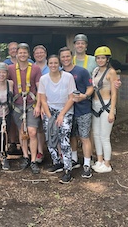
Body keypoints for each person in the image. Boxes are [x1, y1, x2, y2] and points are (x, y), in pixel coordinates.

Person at [38, 54, 76, 184]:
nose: (53, 65)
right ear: (47, 65)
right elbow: (43, 99)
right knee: (50, 138)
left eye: (56, 63)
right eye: (51, 63)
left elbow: (72, 98)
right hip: (50, 111)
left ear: (59, 64)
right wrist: (49, 117)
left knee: (64, 140)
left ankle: (68, 169)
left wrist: (61, 115)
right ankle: (56, 162)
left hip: (65, 110)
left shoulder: (68, 77)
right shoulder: (44, 79)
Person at [59, 47, 95, 179]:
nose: (65, 59)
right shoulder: (59, 73)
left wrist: (84, 96)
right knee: (72, 136)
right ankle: (74, 159)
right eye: (62, 57)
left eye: (67, 56)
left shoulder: (82, 71)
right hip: (68, 110)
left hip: (83, 108)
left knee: (84, 137)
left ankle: (86, 164)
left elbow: (90, 87)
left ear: (71, 56)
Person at [8, 43, 42, 174]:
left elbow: (40, 88)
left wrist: (38, 105)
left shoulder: (35, 69)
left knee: (32, 132)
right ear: (16, 54)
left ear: (28, 54)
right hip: (17, 105)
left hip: (31, 104)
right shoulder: (11, 69)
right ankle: (25, 157)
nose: (22, 55)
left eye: (24, 53)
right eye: (20, 53)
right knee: (22, 133)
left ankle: (33, 160)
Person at [91, 46, 118, 173]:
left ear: (107, 59)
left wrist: (112, 111)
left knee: (104, 136)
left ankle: (107, 163)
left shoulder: (111, 72)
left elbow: (114, 93)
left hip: (106, 105)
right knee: (96, 134)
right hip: (95, 104)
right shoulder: (96, 71)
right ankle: (99, 159)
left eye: (103, 58)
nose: (100, 60)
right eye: (98, 58)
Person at [33, 45, 49, 164]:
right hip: (35, 101)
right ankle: (40, 151)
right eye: (37, 53)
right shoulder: (31, 67)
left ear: (45, 54)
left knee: (52, 127)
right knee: (38, 128)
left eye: (41, 52)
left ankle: (57, 152)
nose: (39, 55)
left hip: (51, 101)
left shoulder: (53, 66)